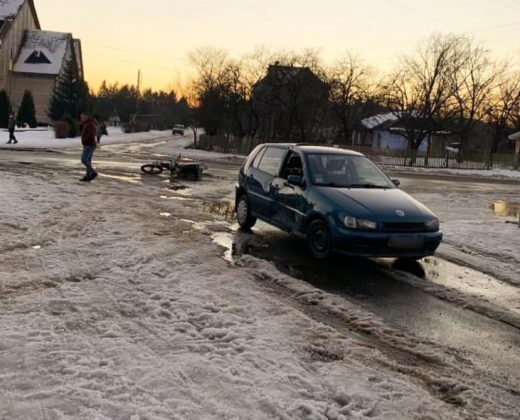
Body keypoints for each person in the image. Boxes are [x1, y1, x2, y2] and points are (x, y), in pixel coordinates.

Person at [79, 113, 98, 182]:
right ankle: (88, 176)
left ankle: (93, 172)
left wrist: (85, 140)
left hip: (89, 144)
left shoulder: (90, 123)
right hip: (88, 144)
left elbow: (91, 134)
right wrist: (81, 125)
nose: (81, 118)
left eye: (82, 117)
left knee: (84, 159)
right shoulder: (86, 123)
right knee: (88, 161)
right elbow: (82, 132)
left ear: (87, 117)